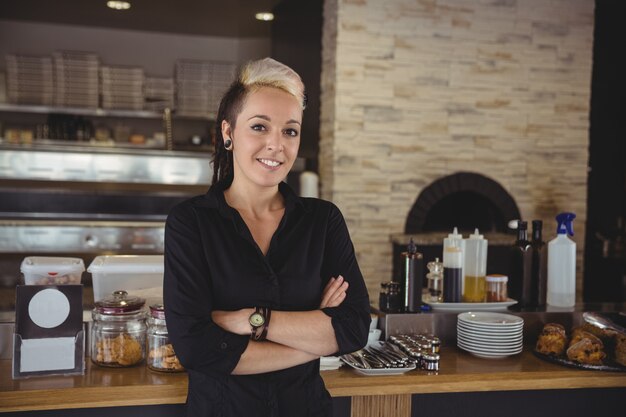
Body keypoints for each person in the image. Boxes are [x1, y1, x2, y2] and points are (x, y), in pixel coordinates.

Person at [163, 57, 370, 417]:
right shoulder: (191, 222)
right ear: (228, 133)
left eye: (290, 131)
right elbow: (196, 347)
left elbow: (353, 329)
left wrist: (252, 319)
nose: (277, 145)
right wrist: (316, 338)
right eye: (260, 127)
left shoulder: (323, 221)